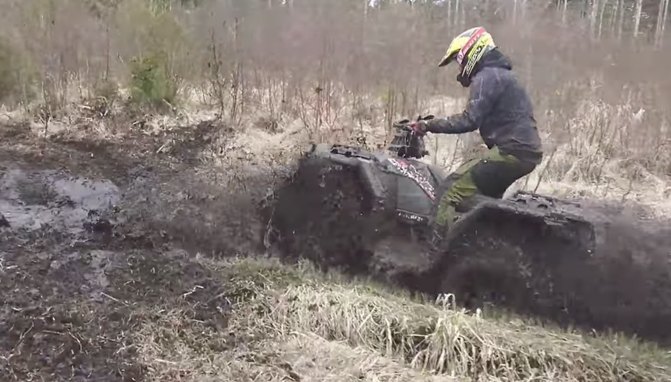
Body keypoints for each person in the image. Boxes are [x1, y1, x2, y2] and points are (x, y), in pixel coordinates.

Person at [410, 26, 543, 247]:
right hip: (523, 153)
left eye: (458, 61)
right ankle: (482, 250)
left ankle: (434, 253)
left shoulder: (487, 77)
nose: (459, 68)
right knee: (481, 202)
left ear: (470, 54)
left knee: (449, 190)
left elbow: (469, 120)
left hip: (511, 152)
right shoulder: (502, 75)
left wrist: (428, 125)